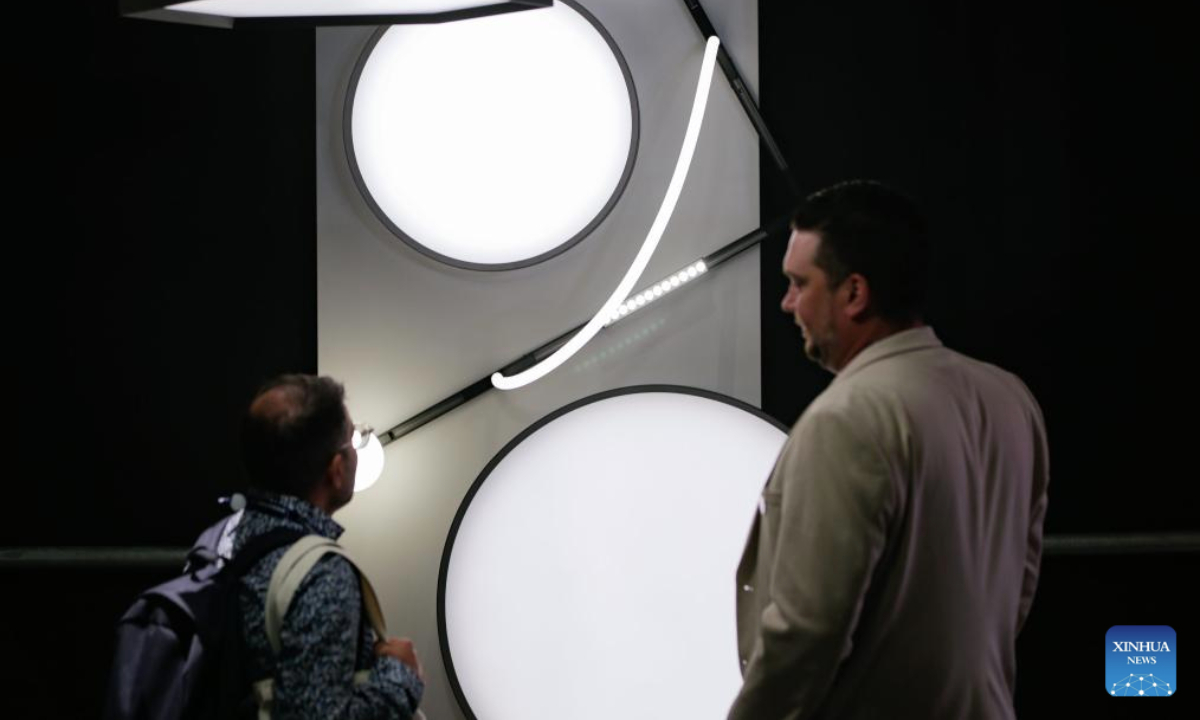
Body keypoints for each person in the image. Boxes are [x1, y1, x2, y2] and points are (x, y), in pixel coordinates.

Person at [729, 181, 1049, 719]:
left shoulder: (847, 418)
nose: (787, 303)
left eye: (799, 283)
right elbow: (1017, 587)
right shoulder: (1009, 399)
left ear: (854, 293)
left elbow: (806, 631)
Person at [232, 374, 425, 719]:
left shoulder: (227, 537)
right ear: (336, 469)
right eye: (353, 438)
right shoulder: (321, 574)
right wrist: (400, 676)